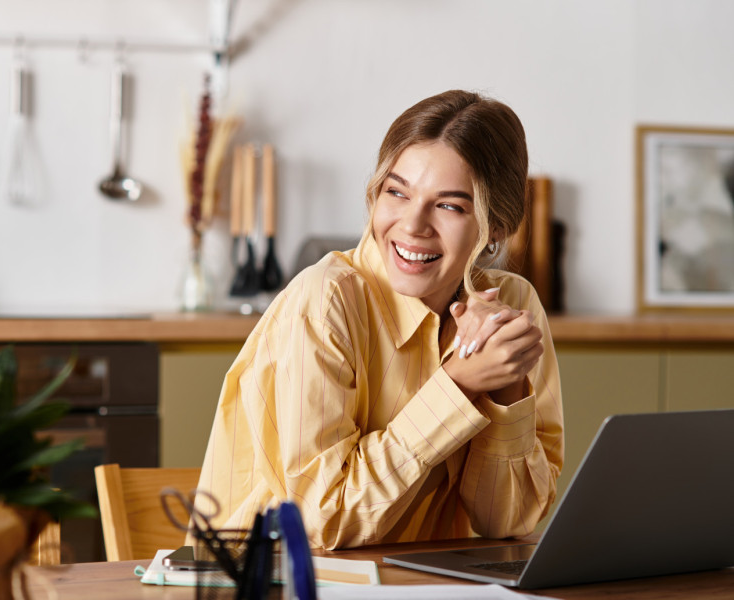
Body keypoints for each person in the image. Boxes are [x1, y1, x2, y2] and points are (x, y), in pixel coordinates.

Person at [195, 90, 563, 549]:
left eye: (449, 205)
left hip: (417, 581)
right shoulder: (325, 300)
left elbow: (509, 522)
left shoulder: (512, 305)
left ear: (498, 226)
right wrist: (458, 385)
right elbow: (323, 520)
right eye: (397, 192)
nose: (412, 225)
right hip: (274, 574)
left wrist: (504, 386)